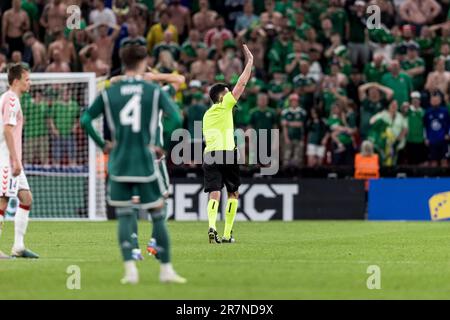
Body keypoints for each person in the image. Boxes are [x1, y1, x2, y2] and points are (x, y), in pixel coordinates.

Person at [80, 38, 185, 284]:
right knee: (158, 213)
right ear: (144, 61)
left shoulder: (111, 91)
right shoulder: (153, 90)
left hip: (118, 161)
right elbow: (177, 118)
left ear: (122, 61)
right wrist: (161, 145)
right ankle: (166, 270)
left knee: (126, 214)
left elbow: (86, 120)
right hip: (146, 159)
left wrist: (103, 144)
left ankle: (130, 271)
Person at [202, 44, 253, 244]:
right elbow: (242, 84)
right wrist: (249, 62)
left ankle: (212, 226)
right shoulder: (224, 106)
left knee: (214, 193)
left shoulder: (207, 114)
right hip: (227, 154)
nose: (231, 92)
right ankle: (226, 233)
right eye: (227, 91)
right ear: (222, 96)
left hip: (209, 155)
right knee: (232, 193)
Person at [0, 63, 39, 259]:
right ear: (17, 81)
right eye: (27, 79)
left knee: (26, 199)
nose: (29, 83)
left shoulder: (10, 99)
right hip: (6, 159)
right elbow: (7, 129)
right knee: (2, 201)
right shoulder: (11, 100)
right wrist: (15, 160)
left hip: (12, 159)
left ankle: (18, 246)